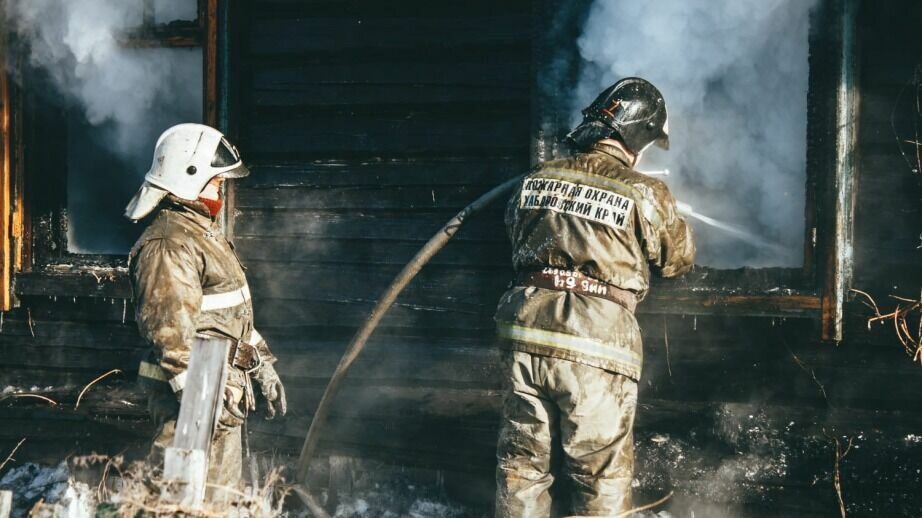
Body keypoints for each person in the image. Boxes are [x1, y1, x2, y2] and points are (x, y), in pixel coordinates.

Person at [493, 77, 695, 517]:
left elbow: (514, 236)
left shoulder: (536, 178)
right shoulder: (645, 190)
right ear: (638, 138)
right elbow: (677, 259)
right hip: (594, 345)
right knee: (599, 478)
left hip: (525, 332)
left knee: (523, 470)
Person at [125, 123, 287, 492]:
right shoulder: (169, 244)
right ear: (188, 177)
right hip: (194, 395)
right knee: (181, 498)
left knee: (216, 498)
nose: (222, 188)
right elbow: (170, 334)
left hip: (218, 387)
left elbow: (228, 317)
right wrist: (199, 404)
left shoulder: (201, 234)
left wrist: (261, 364)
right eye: (216, 181)